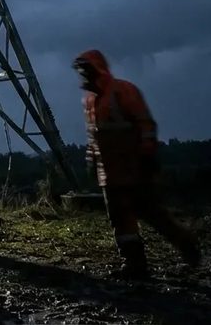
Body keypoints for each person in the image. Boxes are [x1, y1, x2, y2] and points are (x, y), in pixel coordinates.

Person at [75, 49, 202, 279]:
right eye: (81, 70)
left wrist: (148, 156)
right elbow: (93, 137)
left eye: (86, 69)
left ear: (96, 69)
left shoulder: (123, 91)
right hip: (110, 173)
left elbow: (145, 125)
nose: (83, 75)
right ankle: (134, 264)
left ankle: (186, 244)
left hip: (133, 167)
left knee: (150, 213)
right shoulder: (91, 101)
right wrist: (92, 162)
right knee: (120, 219)